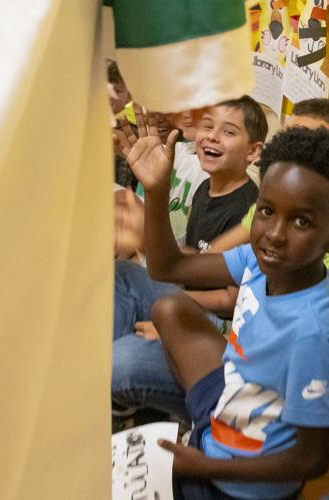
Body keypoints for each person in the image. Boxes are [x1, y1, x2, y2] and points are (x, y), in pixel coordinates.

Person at [123, 125, 329, 499]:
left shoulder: (312, 334)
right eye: (267, 211)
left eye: (301, 221)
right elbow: (167, 268)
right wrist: (157, 192)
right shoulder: (259, 262)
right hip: (232, 400)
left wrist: (203, 465)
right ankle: (203, 429)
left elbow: (312, 460)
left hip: (237, 485)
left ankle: (200, 441)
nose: (274, 233)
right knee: (170, 307)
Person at [112, 96, 267, 421]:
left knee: (121, 356)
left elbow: (230, 300)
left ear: (253, 152)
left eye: (227, 132)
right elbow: (185, 258)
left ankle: (122, 382)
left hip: (216, 320)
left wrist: (174, 318)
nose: (211, 136)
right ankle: (118, 388)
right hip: (188, 296)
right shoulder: (204, 190)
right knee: (121, 271)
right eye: (207, 126)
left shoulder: (247, 207)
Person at [207, 98, 329, 323]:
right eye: (285, 139)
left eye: (302, 145)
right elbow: (211, 258)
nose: (286, 152)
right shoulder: (274, 208)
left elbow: (293, 340)